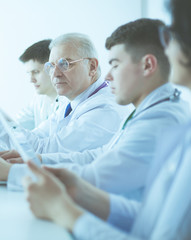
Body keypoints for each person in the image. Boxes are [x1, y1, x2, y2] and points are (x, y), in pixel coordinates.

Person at [24, 1, 191, 240]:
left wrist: (65, 211)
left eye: (115, 64)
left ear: (147, 65)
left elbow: (97, 173)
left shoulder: (162, 119)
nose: (108, 76)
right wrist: (77, 189)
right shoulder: (152, 112)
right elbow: (151, 218)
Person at [0, 33, 127, 189]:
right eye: (51, 66)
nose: (55, 73)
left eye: (65, 64)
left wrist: (18, 165)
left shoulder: (105, 109)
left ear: (92, 67)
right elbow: (36, 139)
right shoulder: (70, 101)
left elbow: (42, 149)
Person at [3, 39, 59, 130]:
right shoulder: (38, 100)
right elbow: (15, 126)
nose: (31, 80)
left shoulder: (68, 103)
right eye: (29, 73)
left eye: (36, 72)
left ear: (52, 68)